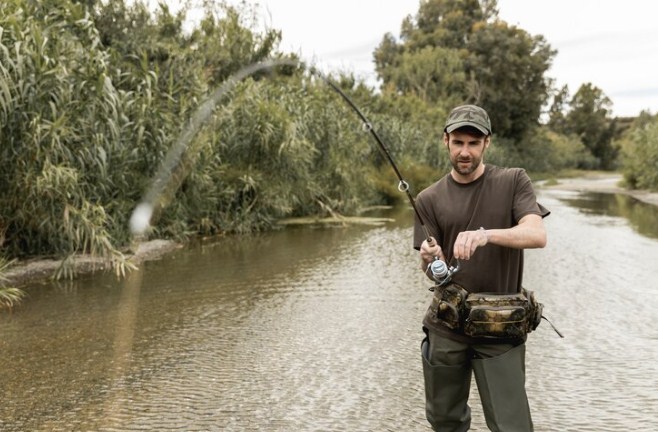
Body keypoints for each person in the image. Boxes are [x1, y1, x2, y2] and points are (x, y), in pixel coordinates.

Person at [414, 104, 550, 432]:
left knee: (511, 425)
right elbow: (435, 273)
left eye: (473, 143)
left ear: (486, 143)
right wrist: (429, 259)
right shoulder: (427, 199)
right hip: (446, 327)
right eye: (458, 142)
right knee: (445, 422)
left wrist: (486, 235)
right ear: (445, 140)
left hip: (501, 329)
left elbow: (537, 234)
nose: (465, 151)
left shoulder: (513, 181)